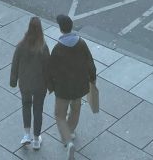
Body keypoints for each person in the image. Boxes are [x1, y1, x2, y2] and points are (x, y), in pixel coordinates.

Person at [47, 14, 96, 159]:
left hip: (63, 89)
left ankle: (68, 141)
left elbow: (50, 70)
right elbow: (90, 63)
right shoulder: (82, 44)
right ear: (71, 26)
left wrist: (51, 86)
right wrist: (92, 79)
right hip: (79, 86)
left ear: (61, 29)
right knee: (75, 109)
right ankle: (71, 131)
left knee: (59, 115)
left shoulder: (57, 48)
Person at [10, 17, 50, 151]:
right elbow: (48, 68)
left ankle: (26, 134)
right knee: (38, 110)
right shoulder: (43, 47)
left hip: (25, 84)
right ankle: (36, 139)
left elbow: (14, 65)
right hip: (40, 85)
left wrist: (13, 81)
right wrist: (51, 85)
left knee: (26, 105)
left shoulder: (21, 46)